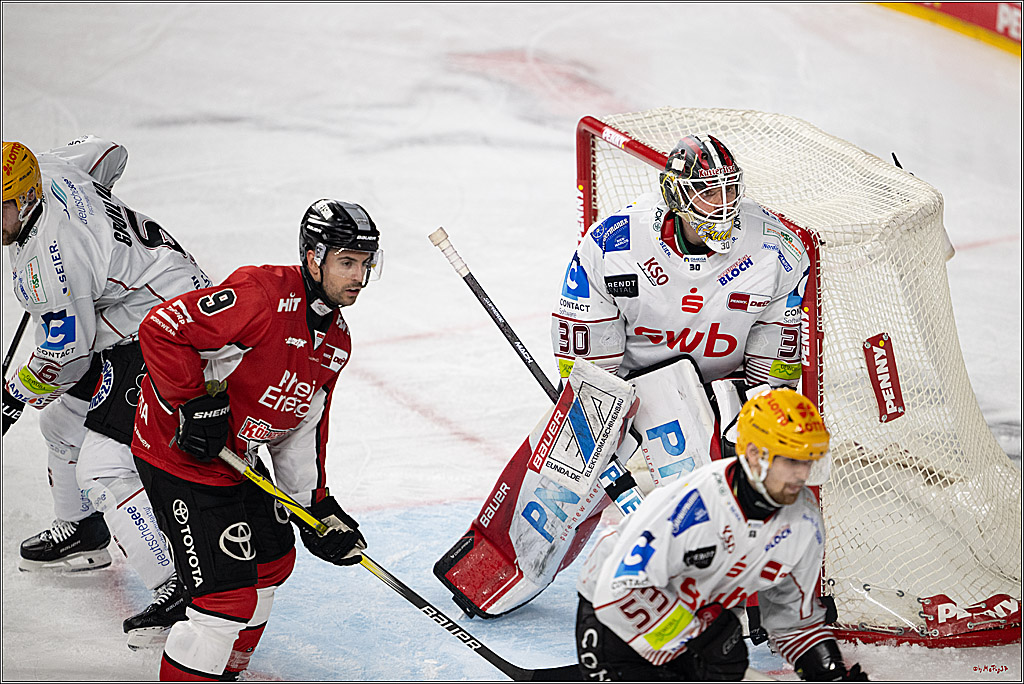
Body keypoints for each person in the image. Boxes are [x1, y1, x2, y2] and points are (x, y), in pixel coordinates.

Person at [434, 134, 813, 618]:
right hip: (625, 385)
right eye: (707, 192)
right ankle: (500, 564)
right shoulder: (616, 243)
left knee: (703, 500)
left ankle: (734, 585)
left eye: (729, 191)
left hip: (721, 393)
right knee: (561, 470)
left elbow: (772, 373)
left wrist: (752, 433)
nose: (723, 206)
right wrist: (604, 429)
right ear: (676, 195)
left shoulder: (775, 248)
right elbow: (586, 361)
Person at [130, 199, 382, 680]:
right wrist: (190, 402)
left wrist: (315, 507)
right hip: (175, 449)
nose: (358, 276)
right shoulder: (260, 294)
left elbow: (299, 429)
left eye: (365, 264)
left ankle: (225, 672)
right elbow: (162, 330)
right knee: (225, 600)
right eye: (346, 262)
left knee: (272, 563)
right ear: (314, 257)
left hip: (232, 456)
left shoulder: (336, 342)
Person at [2, 137, 212, 647]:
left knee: (103, 463)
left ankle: (178, 584)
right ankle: (83, 531)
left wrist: (11, 395)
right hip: (143, 301)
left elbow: (64, 358)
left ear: (27, 199)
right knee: (59, 423)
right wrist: (102, 228)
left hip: (162, 327)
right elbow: (106, 152)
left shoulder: (55, 261)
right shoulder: (49, 168)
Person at [574, 387, 868, 681]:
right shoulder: (693, 505)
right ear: (754, 454)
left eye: (809, 460)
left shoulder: (803, 520)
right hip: (612, 621)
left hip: (695, 624)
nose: (802, 475)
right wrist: (704, 636)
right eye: (792, 460)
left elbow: (791, 619)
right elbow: (618, 589)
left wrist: (829, 673)